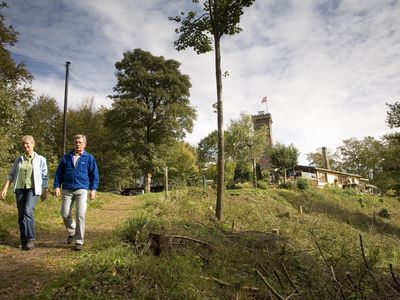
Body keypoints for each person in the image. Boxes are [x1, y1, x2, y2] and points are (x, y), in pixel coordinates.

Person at [1, 135, 48, 250]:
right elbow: (11, 175)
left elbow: (44, 176)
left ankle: (31, 239)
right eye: (23, 144)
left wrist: (45, 190)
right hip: (20, 188)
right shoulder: (19, 159)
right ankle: (24, 239)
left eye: (28, 143)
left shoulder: (40, 159)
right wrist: (5, 188)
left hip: (33, 188)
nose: (26, 145)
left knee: (28, 210)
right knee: (21, 214)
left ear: (33, 144)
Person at [54, 134, 99, 251]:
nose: (78, 144)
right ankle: (72, 231)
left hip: (82, 189)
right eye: (76, 142)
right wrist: (57, 186)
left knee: (80, 215)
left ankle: (79, 241)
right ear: (74, 144)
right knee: (64, 213)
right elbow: (59, 173)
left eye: (80, 142)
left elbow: (94, 175)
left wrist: (93, 189)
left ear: (85, 144)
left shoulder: (89, 158)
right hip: (67, 189)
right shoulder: (66, 157)